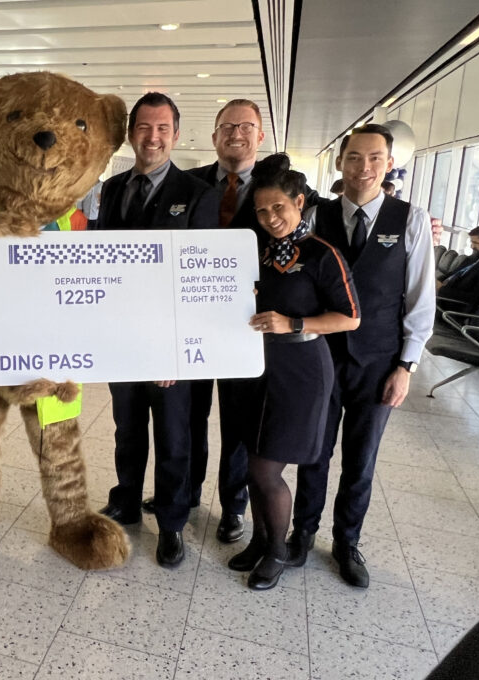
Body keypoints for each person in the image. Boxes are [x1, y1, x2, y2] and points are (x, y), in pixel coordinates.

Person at [287, 123, 435, 588]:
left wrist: (406, 366)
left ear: (390, 164)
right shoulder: (312, 214)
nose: (364, 168)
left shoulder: (410, 219)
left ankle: (347, 541)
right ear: (340, 162)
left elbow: (420, 298)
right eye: (354, 157)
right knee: (314, 452)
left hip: (378, 361)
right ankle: (303, 533)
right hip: (321, 358)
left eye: (374, 158)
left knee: (361, 459)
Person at [97, 92, 219, 567]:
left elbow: (200, 280)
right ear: (131, 134)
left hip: (170, 344)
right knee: (126, 428)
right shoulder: (112, 188)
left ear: (176, 133)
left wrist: (175, 347)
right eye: (144, 128)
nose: (153, 137)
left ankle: (171, 523)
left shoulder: (198, 195)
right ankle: (126, 498)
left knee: (174, 434)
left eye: (162, 128)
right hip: (123, 339)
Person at [228, 156, 360, 590]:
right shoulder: (256, 252)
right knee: (252, 464)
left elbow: (350, 317)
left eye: (279, 208)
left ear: (299, 202)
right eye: (262, 211)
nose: (271, 219)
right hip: (257, 366)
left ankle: (277, 551)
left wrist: (294, 322)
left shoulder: (323, 254)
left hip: (301, 369)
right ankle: (261, 539)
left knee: (268, 471)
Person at [181, 99, 269, 546]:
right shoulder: (189, 184)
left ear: (261, 136)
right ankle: (189, 493)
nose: (237, 133)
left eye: (246, 126)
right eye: (227, 126)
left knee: (237, 424)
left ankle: (234, 507)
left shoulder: (278, 188)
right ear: (214, 136)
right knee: (189, 415)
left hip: (245, 327)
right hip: (192, 321)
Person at [436, 225, 479, 312]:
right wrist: (437, 282)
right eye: (472, 242)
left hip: (452, 307)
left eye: (476, 243)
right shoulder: (475, 256)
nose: (472, 246)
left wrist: (442, 289)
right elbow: (454, 274)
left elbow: (476, 299)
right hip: (441, 296)